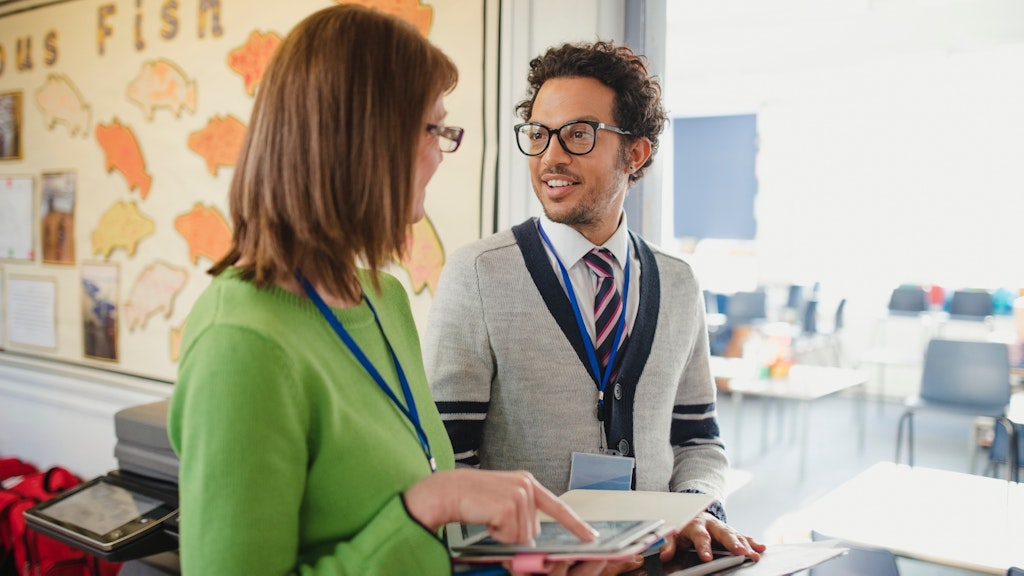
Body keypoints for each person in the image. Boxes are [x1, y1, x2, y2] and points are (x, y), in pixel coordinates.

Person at [167, 6, 603, 575]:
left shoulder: (383, 300)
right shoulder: (243, 343)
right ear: (363, 139)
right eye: (434, 129)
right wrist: (430, 504)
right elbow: (413, 520)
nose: (439, 156)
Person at [424, 40, 766, 570]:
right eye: (538, 135)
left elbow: (698, 438)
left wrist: (695, 505)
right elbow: (447, 460)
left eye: (577, 134)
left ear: (635, 153)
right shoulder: (478, 274)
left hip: (657, 561)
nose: (550, 157)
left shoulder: (678, 283)